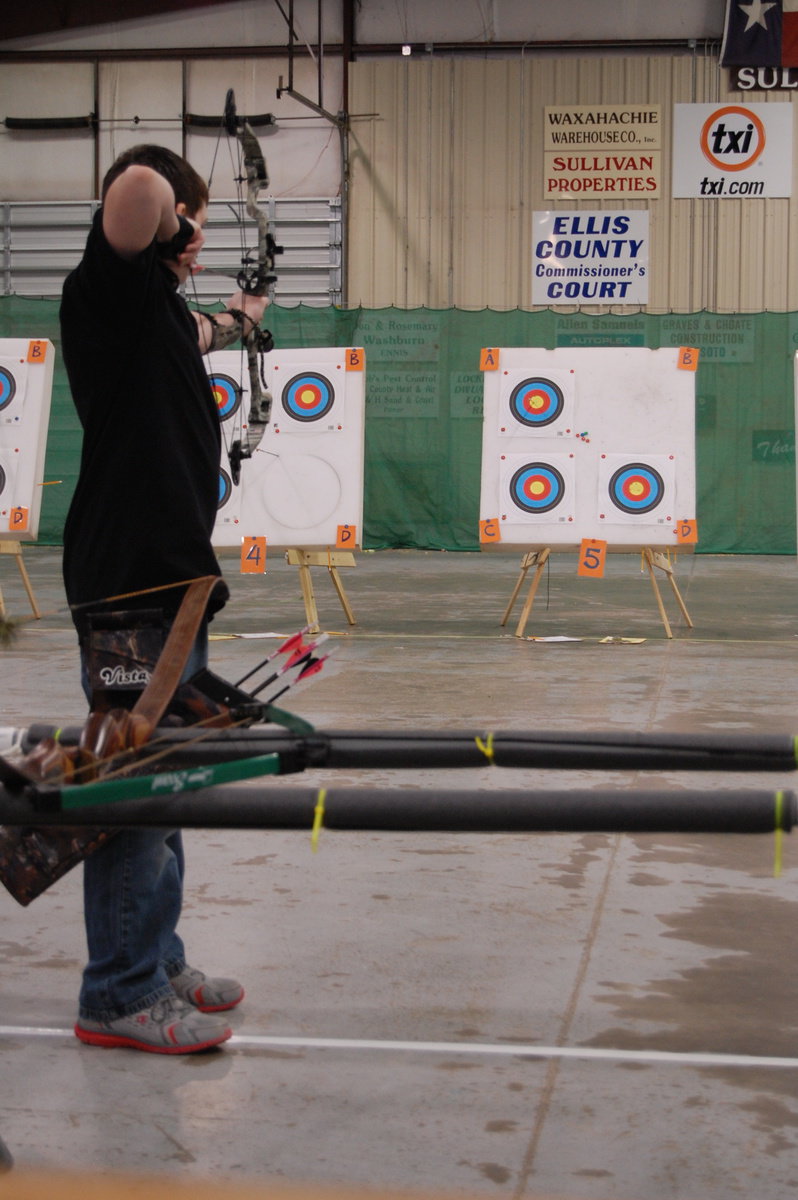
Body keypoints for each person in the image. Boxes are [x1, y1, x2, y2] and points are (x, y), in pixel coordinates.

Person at [59, 144, 268, 1053]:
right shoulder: (103, 285)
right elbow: (135, 187)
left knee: (168, 776)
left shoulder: (153, 310)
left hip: (172, 581)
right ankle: (116, 993)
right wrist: (176, 217)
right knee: (132, 788)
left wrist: (236, 314)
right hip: (128, 581)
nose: (200, 235)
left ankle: (156, 957)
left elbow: (194, 338)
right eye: (197, 219)